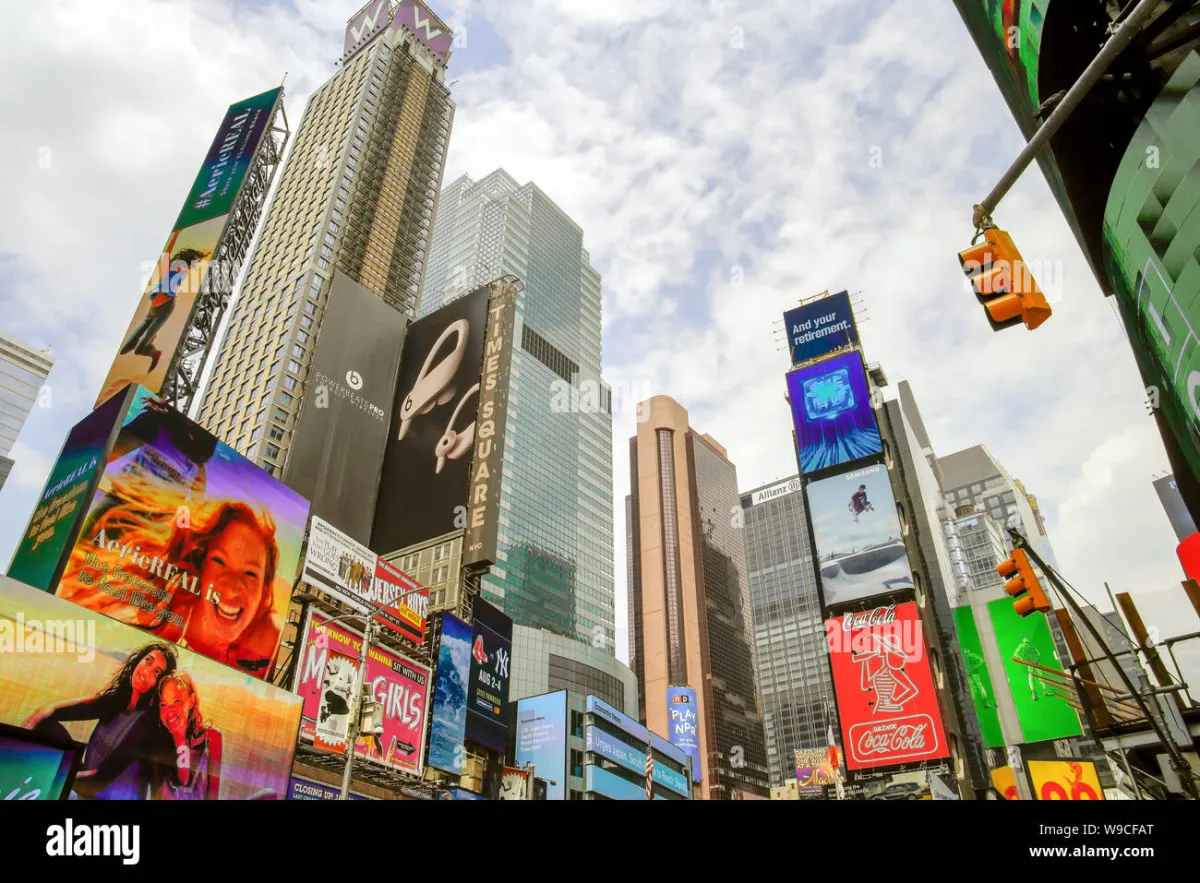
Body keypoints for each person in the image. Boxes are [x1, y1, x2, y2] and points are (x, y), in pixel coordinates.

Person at [22, 643, 177, 800]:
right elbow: (50, 711)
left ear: (160, 685)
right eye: (148, 661)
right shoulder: (117, 701)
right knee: (45, 722)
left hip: (102, 794)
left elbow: (99, 781)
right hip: (88, 781)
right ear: (138, 661)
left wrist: (49, 777)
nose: (147, 671)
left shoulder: (146, 723)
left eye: (157, 672)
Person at [119, 246, 210, 373]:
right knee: (124, 350)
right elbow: (167, 256)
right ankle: (150, 338)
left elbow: (173, 282)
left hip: (165, 306)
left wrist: (169, 293)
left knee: (139, 349)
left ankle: (154, 352)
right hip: (155, 305)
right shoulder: (177, 267)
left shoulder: (180, 270)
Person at [152, 672, 222, 800]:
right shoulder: (157, 742)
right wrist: (179, 738)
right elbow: (160, 793)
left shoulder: (212, 737)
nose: (170, 711)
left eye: (177, 701)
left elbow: (213, 792)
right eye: (163, 704)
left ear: (191, 700)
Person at [1013, 636, 1050, 701]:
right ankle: (1039, 692)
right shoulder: (1025, 646)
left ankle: (1040, 692)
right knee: (1036, 675)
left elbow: (1016, 654)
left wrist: (1023, 659)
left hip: (1032, 661)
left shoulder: (1028, 646)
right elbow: (1038, 653)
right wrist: (1023, 659)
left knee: (1035, 675)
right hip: (1033, 662)